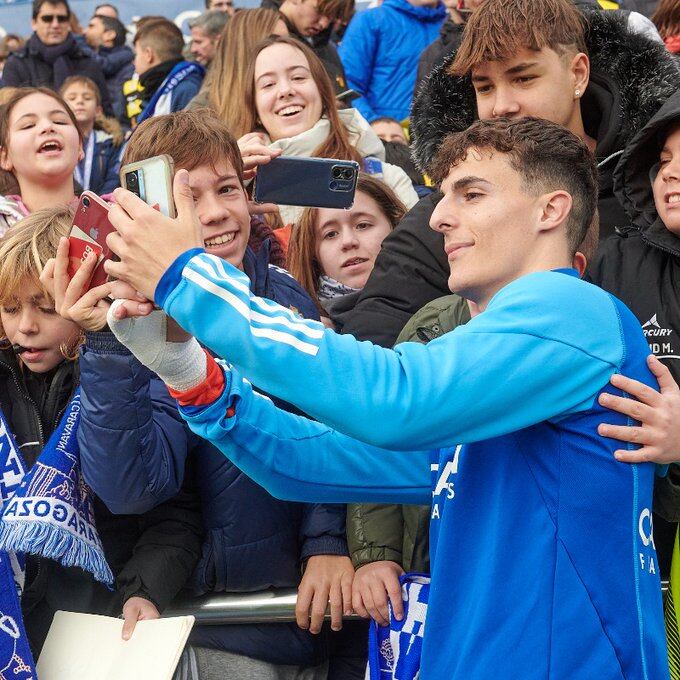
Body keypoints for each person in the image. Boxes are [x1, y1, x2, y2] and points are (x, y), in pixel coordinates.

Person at [103, 115, 669, 678]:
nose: (441, 217)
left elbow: (395, 399)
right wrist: (187, 371)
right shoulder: (500, 374)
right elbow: (313, 462)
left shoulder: (576, 311)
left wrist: (187, 276)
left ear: (551, 210)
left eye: (471, 194)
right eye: (443, 196)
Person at [65, 109, 362, 680]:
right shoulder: (137, 322)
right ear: (149, 215)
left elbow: (330, 426)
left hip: (300, 617)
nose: (216, 213)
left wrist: (328, 541)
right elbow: (133, 488)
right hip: (198, 628)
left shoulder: (285, 298)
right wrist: (106, 344)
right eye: (188, 198)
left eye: (227, 188)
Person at [342, 0, 680, 352]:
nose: (502, 106)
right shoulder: (439, 221)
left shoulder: (655, 187)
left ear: (577, 74)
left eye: (523, 78)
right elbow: (373, 357)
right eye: (484, 87)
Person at [0, 207, 203, 656]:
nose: (26, 326)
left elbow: (174, 516)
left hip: (96, 626)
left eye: (46, 307)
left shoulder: (140, 372)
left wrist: (145, 589)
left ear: (91, 294)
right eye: (10, 308)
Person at [238, 36, 418, 228]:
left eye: (298, 77)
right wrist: (226, 181)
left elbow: (417, 251)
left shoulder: (386, 178)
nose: (285, 90)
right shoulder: (240, 187)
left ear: (323, 93)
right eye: (268, 84)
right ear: (255, 109)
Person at [287, 173, 405, 328]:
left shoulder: (435, 299)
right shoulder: (299, 329)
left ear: (395, 226)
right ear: (313, 254)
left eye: (363, 225)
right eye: (330, 234)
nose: (348, 241)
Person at [339, 0, 446, 123]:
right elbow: (347, 84)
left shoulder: (451, 25)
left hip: (436, 133)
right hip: (382, 134)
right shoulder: (371, 20)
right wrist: (374, 123)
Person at [1, 0, 113, 117]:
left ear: (69, 23)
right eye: (47, 18)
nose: (55, 24)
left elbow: (106, 112)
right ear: (34, 23)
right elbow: (6, 115)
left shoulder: (88, 62)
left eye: (62, 19)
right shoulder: (16, 63)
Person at [0, 87, 83, 238]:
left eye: (59, 121)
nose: (47, 127)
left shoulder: (117, 221)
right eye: (28, 125)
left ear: (80, 147)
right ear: (4, 157)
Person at [189, 8, 288, 121]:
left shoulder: (295, 92)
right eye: (275, 40)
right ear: (246, 47)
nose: (288, 47)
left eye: (288, 40)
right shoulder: (202, 111)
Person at [125, 19, 204, 127]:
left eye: (136, 54)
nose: (134, 61)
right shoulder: (156, 86)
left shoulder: (186, 89)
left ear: (148, 55)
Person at [59, 76, 122, 194]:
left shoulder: (111, 143)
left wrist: (98, 206)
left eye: (87, 98)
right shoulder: (54, 143)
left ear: (98, 111)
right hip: (63, 208)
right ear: (61, 109)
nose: (80, 101)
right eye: (72, 98)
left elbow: (113, 180)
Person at [277, 0, 353, 95]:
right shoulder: (263, 37)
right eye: (319, 11)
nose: (324, 24)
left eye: (331, 17)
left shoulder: (328, 48)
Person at [84, 14, 134, 121]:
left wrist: (78, 44)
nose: (85, 31)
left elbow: (103, 65)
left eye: (91, 26)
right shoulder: (93, 57)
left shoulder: (126, 59)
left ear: (109, 34)